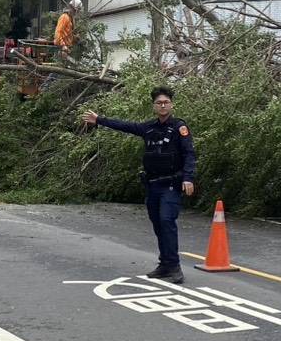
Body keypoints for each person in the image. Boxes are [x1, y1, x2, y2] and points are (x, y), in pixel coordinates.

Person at [81, 86, 196, 284]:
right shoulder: (148, 128)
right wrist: (99, 119)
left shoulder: (179, 128)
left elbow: (189, 154)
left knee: (167, 221)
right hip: (152, 184)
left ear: (171, 105)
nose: (162, 105)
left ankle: (175, 268)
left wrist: (188, 178)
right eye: (159, 103)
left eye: (165, 102)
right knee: (158, 224)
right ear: (154, 106)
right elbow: (125, 125)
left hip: (171, 184)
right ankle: (165, 264)